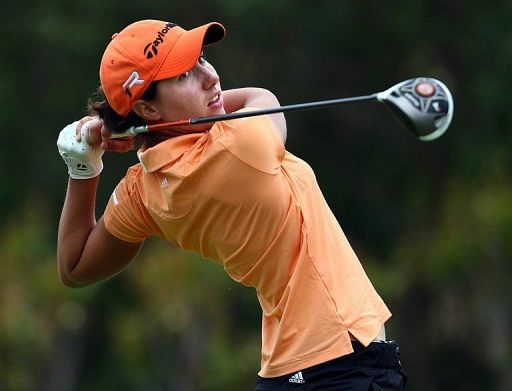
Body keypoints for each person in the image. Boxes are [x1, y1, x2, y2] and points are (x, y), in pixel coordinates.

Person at [56, 19, 407, 390]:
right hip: (340, 364)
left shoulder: (140, 193)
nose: (210, 78)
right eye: (184, 76)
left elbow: (75, 266)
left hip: (290, 372)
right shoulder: (238, 146)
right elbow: (262, 98)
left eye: (202, 60)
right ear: (148, 109)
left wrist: (83, 165)